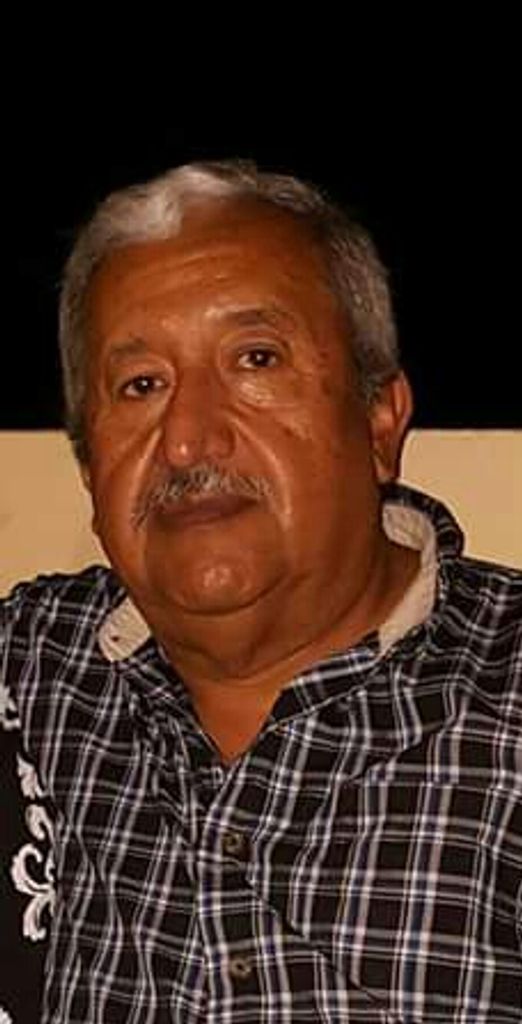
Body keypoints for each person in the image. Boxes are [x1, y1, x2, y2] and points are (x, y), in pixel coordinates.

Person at [1, 159, 520, 1023]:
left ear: (379, 420)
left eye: (255, 359)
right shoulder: (34, 672)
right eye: (141, 386)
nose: (186, 440)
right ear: (90, 466)